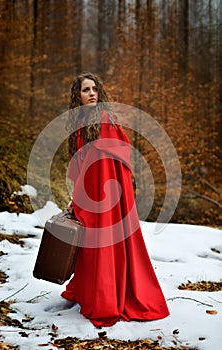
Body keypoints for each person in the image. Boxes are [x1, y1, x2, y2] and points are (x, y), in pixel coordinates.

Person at [60, 72, 169, 327]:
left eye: (95, 89)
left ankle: (108, 298)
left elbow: (107, 165)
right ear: (77, 95)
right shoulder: (80, 124)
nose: (92, 94)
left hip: (108, 197)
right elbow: (82, 165)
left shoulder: (105, 121)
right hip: (92, 195)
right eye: (86, 90)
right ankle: (93, 293)